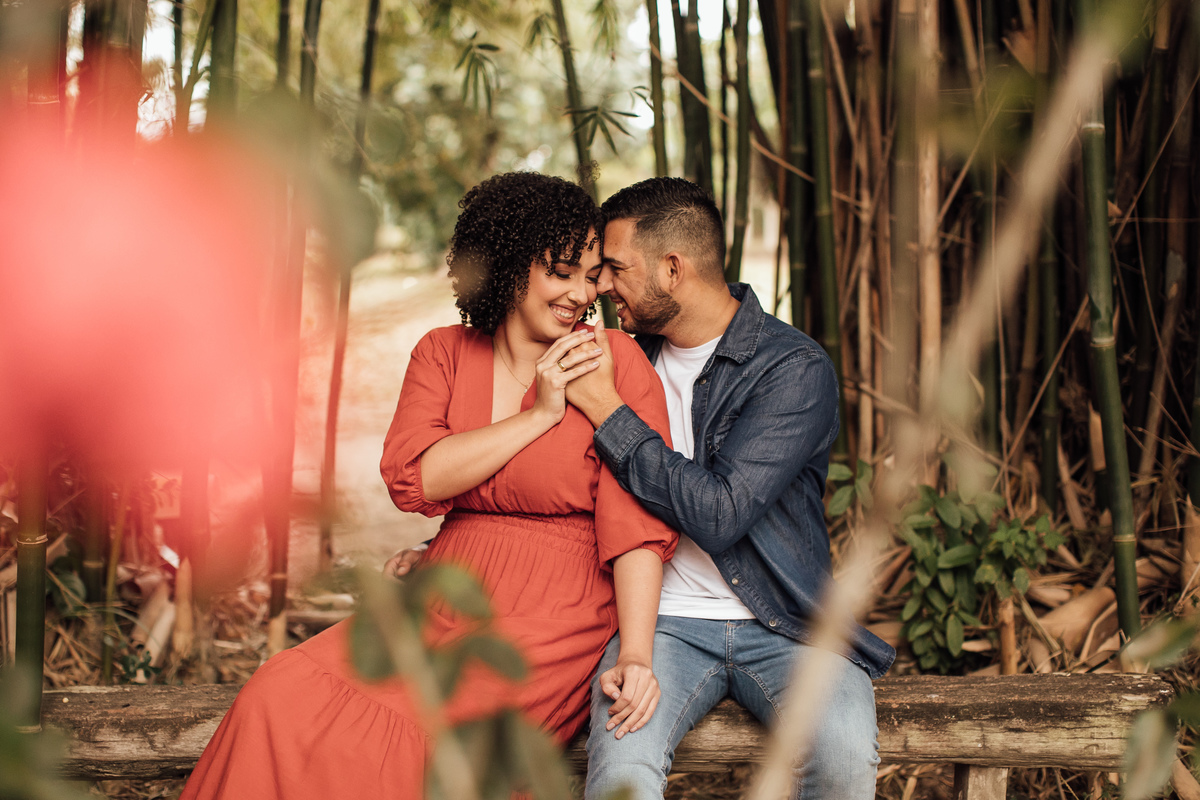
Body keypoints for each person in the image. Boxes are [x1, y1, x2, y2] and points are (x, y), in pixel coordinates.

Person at [180, 172, 677, 800]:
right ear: (507, 266)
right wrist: (539, 415)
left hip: (560, 606)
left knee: (420, 737)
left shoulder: (612, 360)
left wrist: (635, 653)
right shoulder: (443, 353)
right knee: (276, 695)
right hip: (447, 585)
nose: (581, 293)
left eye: (590, 274)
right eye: (560, 272)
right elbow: (416, 478)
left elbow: (637, 522)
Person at [564, 177, 896, 800]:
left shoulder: (791, 369)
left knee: (845, 763)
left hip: (787, 624)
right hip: (657, 627)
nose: (600, 285)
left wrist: (611, 414)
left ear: (672, 268)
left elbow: (720, 513)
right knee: (621, 775)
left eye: (614, 267)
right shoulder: (619, 360)